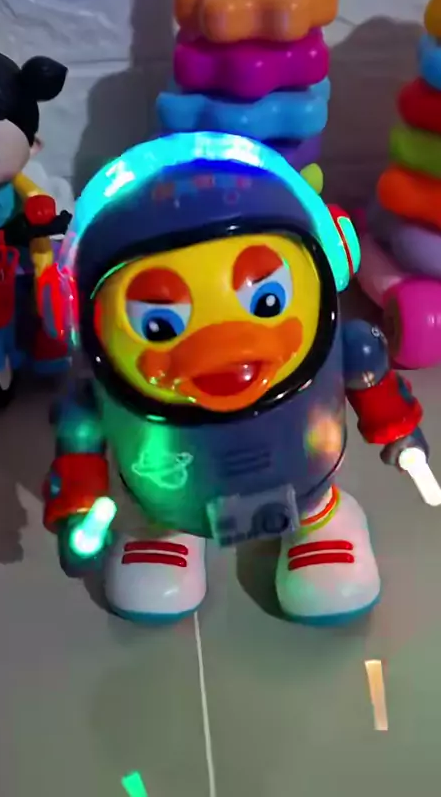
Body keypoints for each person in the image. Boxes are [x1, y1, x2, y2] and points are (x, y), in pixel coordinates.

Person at [40, 132, 430, 625]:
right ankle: (168, 532)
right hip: (169, 492)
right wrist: (79, 506)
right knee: (160, 514)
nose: (226, 347)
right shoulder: (97, 389)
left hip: (305, 469)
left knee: (311, 501)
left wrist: (400, 433)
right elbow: (79, 443)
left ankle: (321, 519)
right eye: (159, 326)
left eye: (267, 302)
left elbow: (375, 383)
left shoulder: (343, 346)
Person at [0, 44, 69, 370]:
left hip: (17, 251)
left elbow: (35, 196)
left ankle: (46, 340)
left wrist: (40, 213)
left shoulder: (23, 184)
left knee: (40, 289)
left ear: (33, 145)